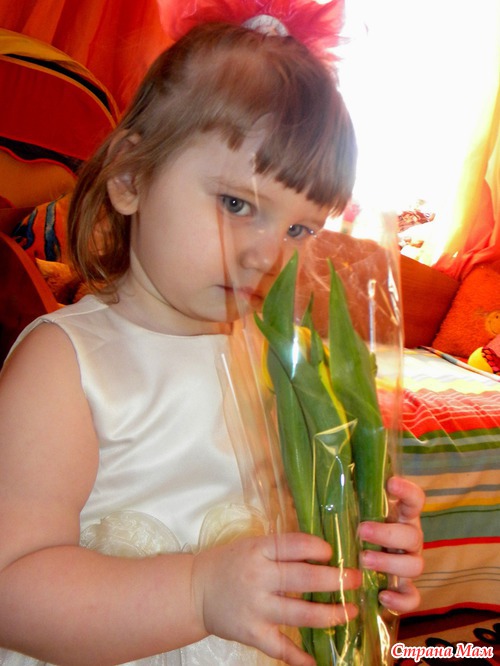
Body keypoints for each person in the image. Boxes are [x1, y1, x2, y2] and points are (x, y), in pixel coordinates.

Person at [0, 8, 424, 666]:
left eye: (299, 229)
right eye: (236, 204)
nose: (267, 255)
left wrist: (356, 542)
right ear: (131, 176)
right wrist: (199, 593)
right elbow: (10, 589)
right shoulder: (66, 365)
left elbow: (287, 528)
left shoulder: (281, 365)